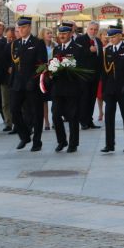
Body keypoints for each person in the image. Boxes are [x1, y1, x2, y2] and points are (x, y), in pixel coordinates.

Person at [9, 17, 48, 152]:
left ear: (29, 27)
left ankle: (37, 141)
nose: (21, 30)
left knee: (37, 113)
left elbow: (42, 64)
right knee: (14, 110)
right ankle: (24, 136)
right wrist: (12, 82)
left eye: (24, 27)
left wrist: (34, 80)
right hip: (18, 84)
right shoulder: (16, 44)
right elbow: (14, 65)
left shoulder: (38, 43)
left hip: (33, 84)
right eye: (19, 28)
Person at [100, 26, 124, 153]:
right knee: (109, 118)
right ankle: (109, 144)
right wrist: (104, 91)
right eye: (110, 38)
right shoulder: (108, 50)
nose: (111, 39)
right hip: (110, 90)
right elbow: (104, 73)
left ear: (119, 36)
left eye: (113, 37)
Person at [51, 22, 84, 153]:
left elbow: (76, 67)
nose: (62, 35)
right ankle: (62, 141)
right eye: (60, 33)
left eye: (65, 33)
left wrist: (63, 65)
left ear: (70, 34)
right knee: (55, 115)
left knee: (72, 117)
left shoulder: (77, 48)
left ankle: (73, 143)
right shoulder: (57, 49)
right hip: (58, 88)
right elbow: (53, 65)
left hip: (72, 88)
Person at [76, 21, 103, 129]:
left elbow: (100, 59)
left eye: (95, 29)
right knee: (84, 98)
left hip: (95, 76)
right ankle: (83, 121)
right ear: (87, 29)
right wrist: (89, 51)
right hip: (84, 76)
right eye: (91, 29)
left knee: (92, 99)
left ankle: (89, 120)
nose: (93, 31)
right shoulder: (80, 40)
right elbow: (77, 56)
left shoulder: (98, 41)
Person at [0, 25, 16, 133]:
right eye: (8, 37)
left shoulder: (19, 45)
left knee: (16, 102)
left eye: (12, 37)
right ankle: (8, 122)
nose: (10, 40)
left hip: (16, 78)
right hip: (5, 78)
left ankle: (18, 123)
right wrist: (7, 67)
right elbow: (1, 61)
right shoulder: (3, 46)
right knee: (5, 102)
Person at [40, 26, 56, 130]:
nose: (50, 35)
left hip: (54, 75)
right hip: (43, 75)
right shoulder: (39, 46)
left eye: (51, 33)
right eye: (48, 33)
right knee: (44, 100)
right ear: (42, 35)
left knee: (55, 99)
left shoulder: (55, 45)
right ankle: (46, 122)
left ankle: (55, 120)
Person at [96, 27, 108, 122]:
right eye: (104, 35)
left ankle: (108, 111)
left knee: (107, 94)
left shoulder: (111, 46)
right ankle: (100, 111)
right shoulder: (98, 47)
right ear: (100, 36)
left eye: (107, 35)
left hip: (109, 73)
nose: (106, 37)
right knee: (99, 95)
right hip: (99, 73)